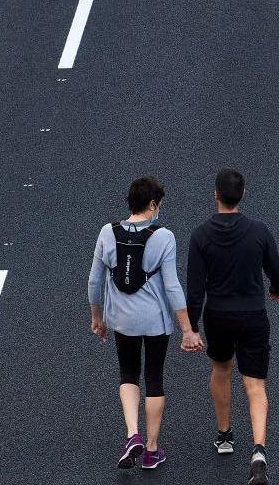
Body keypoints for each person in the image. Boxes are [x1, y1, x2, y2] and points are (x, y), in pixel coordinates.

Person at [87, 176, 204, 470]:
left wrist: (97, 318)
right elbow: (173, 287)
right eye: (159, 204)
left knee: (128, 373)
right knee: (154, 377)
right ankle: (151, 450)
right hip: (155, 322)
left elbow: (94, 280)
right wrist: (188, 330)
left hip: (122, 320)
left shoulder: (106, 232)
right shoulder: (164, 236)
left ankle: (132, 434)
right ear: (152, 204)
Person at [187, 168, 279, 485]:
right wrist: (276, 289)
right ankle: (258, 451)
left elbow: (195, 288)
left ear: (215, 194)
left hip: (218, 316)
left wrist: (191, 326)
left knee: (221, 370)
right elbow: (276, 272)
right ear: (242, 195)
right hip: (253, 315)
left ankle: (225, 435)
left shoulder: (200, 235)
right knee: (255, 384)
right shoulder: (258, 231)